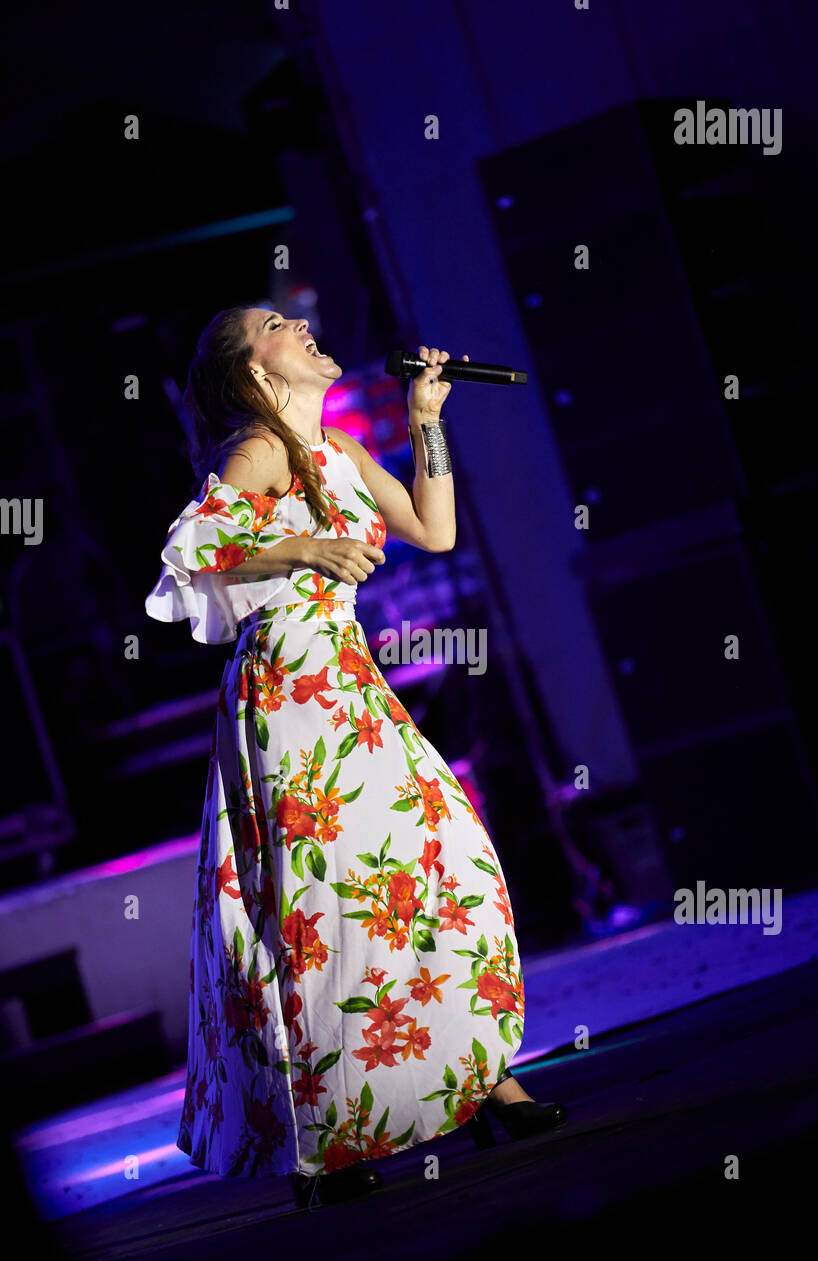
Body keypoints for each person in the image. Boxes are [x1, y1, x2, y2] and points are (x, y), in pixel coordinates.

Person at [145, 305, 566, 1209]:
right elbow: (192, 546)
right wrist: (303, 544)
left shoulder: (337, 452)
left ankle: (481, 1079)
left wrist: (427, 420)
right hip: (286, 697)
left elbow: (434, 528)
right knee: (319, 912)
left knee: (443, 865)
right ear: (256, 372)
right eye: (274, 324)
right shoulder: (256, 449)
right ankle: (325, 1143)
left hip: (352, 688)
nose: (298, 322)